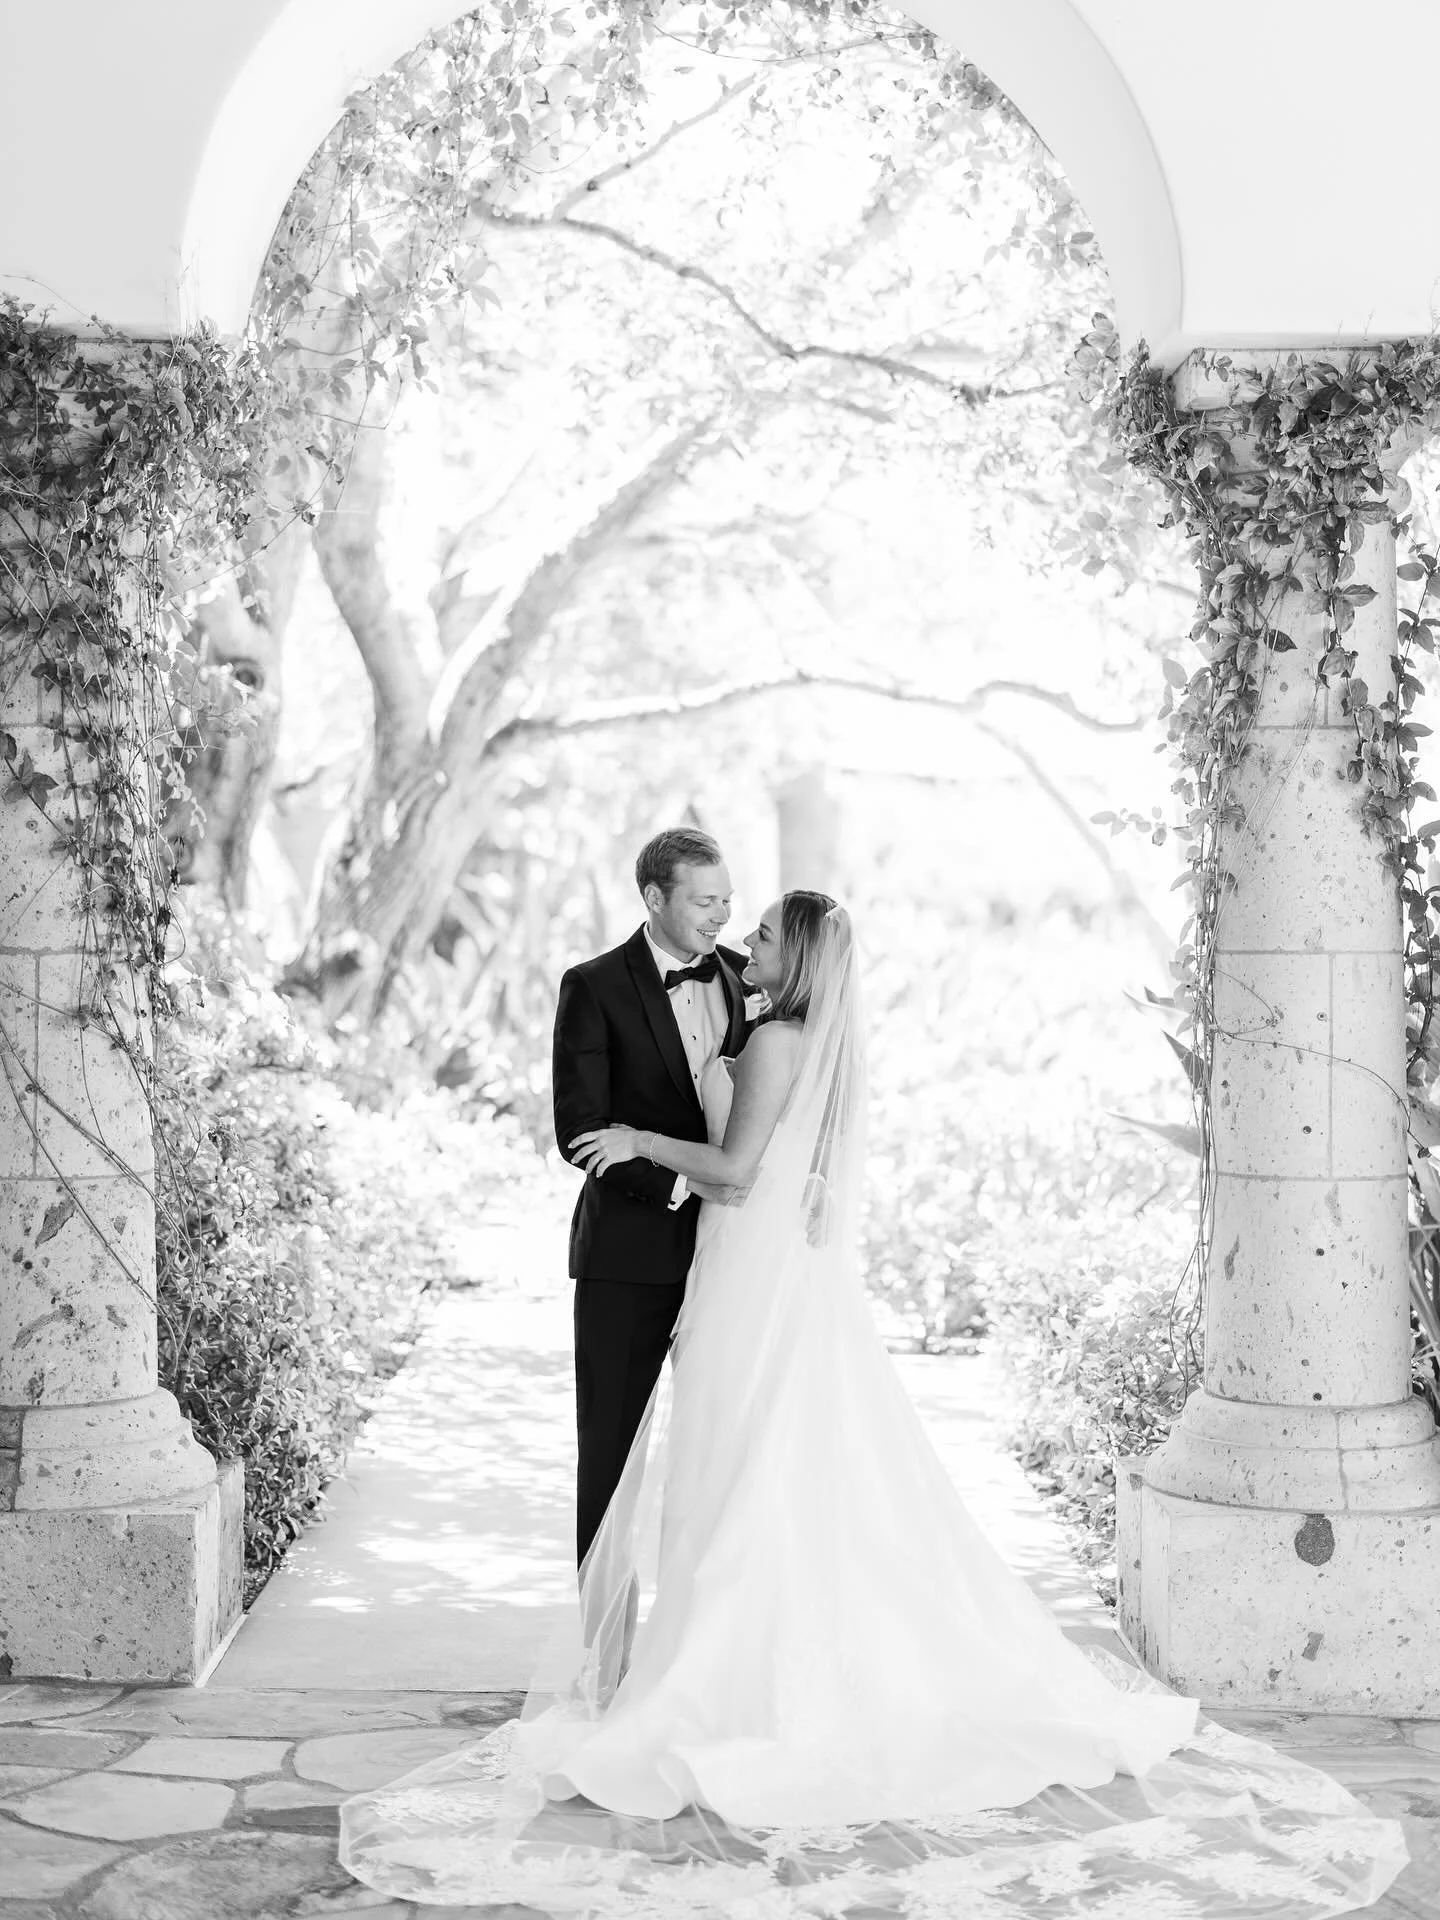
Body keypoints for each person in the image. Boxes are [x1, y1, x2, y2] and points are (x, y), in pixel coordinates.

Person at [340, 892, 1407, 1918]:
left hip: (747, 1279)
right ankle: (733, 1656)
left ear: (794, 957)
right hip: (763, 1279)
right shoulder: (806, 1039)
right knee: (768, 1470)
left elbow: (740, 1170)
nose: (743, 936)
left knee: (736, 1470)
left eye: (760, 931)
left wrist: (640, 1142)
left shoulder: (769, 1043)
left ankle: (724, 1678)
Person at [551, 826, 753, 1566]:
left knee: (721, 1457)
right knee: (610, 1459)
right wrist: (686, 1181)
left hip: (733, 1257)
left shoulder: (747, 978)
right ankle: (602, 1667)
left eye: (727, 900)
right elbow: (580, 1130)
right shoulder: (593, 985)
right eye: (704, 901)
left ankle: (694, 1649)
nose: (720, 917)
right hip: (626, 1258)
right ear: (654, 897)